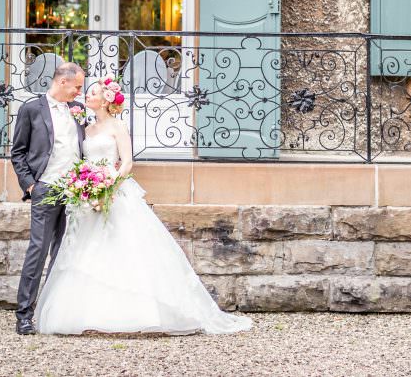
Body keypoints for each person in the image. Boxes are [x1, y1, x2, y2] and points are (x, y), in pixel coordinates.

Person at [35, 77, 252, 335]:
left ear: (105, 100)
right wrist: (85, 187)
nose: (87, 96)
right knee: (85, 251)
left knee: (124, 247)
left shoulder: (118, 127)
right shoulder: (86, 128)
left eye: (92, 92)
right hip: (89, 195)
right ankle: (86, 314)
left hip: (113, 192)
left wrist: (108, 188)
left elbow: (126, 163)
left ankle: (137, 314)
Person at [10, 61, 86, 336]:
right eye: (77, 86)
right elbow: (18, 152)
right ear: (62, 81)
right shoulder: (32, 109)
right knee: (38, 250)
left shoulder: (79, 111)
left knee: (64, 252)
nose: (80, 91)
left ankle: (52, 311)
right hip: (45, 188)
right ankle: (24, 314)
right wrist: (30, 185)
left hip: (76, 192)